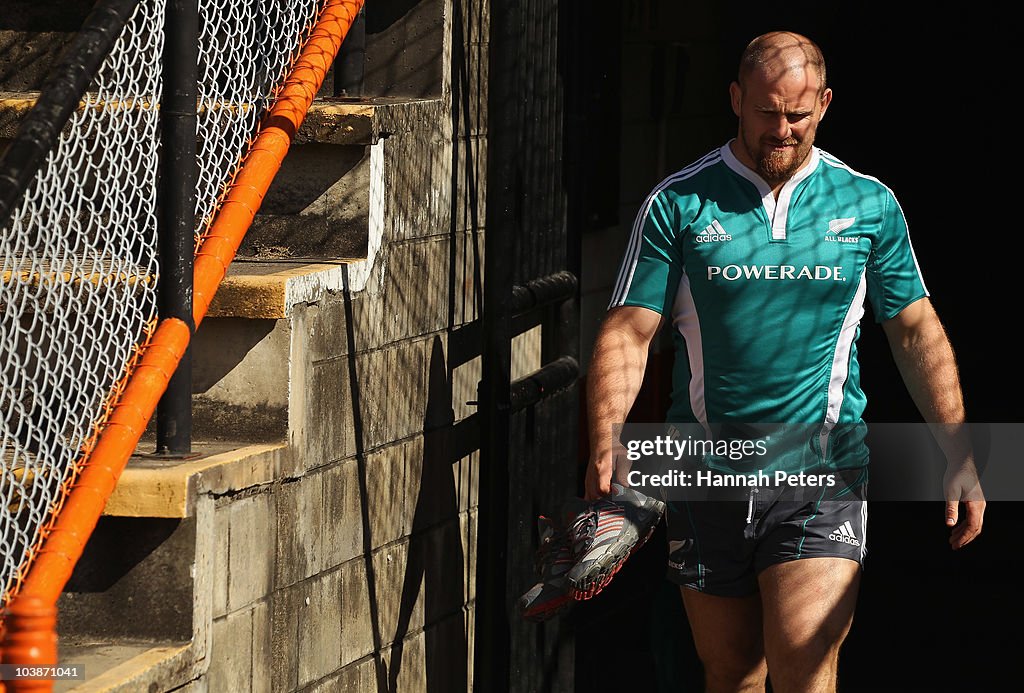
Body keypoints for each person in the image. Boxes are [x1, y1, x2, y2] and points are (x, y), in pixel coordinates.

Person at [582, 30, 986, 693]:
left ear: (824, 104)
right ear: (736, 99)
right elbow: (628, 331)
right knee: (732, 671)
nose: (782, 129)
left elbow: (916, 331)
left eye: (797, 114)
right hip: (706, 472)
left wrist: (960, 449)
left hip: (821, 473)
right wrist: (606, 436)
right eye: (767, 111)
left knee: (804, 665)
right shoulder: (679, 204)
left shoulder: (866, 205)